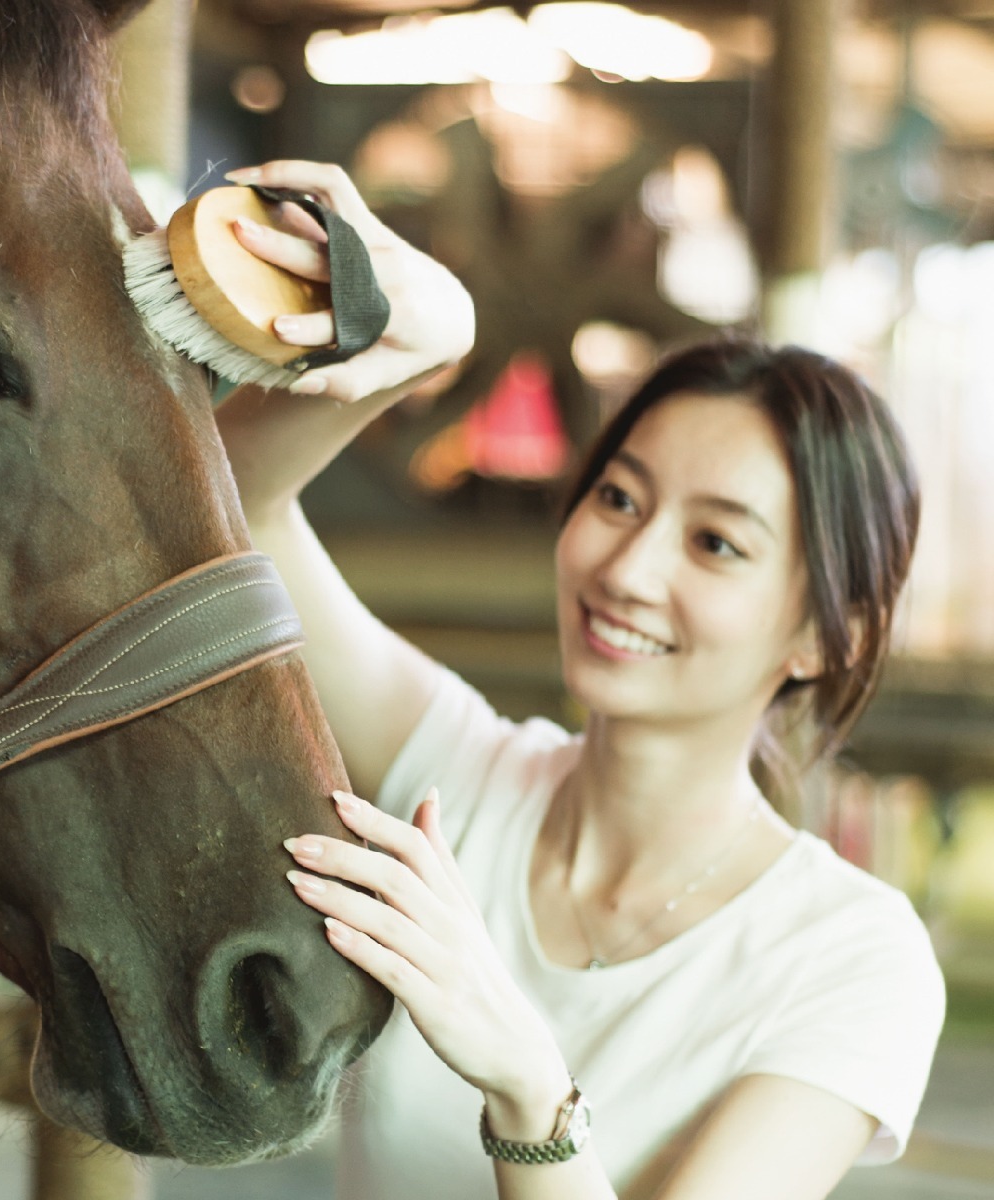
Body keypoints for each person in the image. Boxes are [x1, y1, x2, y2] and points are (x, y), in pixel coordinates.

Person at [214, 160, 946, 1199]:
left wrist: (524, 1082)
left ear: (827, 636)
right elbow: (232, 506)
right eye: (618, 498)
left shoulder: (850, 958)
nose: (628, 568)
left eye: (716, 544)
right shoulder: (459, 781)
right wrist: (413, 337)